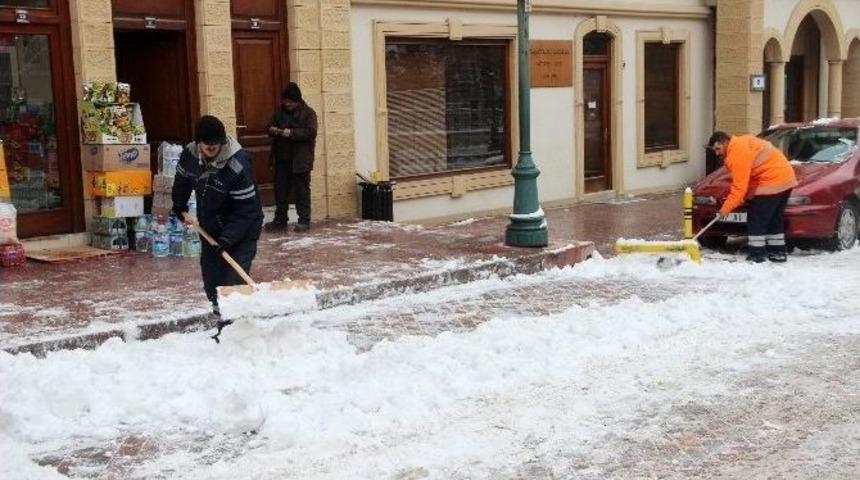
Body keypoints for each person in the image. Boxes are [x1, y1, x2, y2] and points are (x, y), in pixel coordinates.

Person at [172, 115, 264, 317]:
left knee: (233, 281)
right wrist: (179, 205)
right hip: (210, 225)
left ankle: (233, 325)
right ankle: (221, 319)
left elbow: (246, 211)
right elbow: (183, 180)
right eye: (208, 147)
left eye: (216, 147)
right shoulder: (190, 154)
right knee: (212, 279)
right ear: (199, 144)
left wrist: (227, 238)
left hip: (243, 227)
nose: (212, 151)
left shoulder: (238, 166)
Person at [708, 131, 798, 263]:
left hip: (772, 181)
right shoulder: (742, 142)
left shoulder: (736, 154)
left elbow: (739, 188)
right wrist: (745, 198)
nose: (717, 153)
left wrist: (725, 209)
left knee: (757, 219)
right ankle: (777, 252)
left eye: (718, 148)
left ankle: (757, 255)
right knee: (774, 219)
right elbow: (750, 179)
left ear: (725, 142)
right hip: (785, 179)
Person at [265, 82, 318, 233]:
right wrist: (272, 129)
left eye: (290, 101)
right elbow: (268, 126)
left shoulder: (309, 113)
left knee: (302, 191)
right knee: (280, 191)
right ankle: (280, 220)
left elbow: (311, 132)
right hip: (282, 158)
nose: (286, 104)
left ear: (297, 101)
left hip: (300, 160)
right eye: (285, 100)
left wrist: (291, 133)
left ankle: (304, 220)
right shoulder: (279, 112)